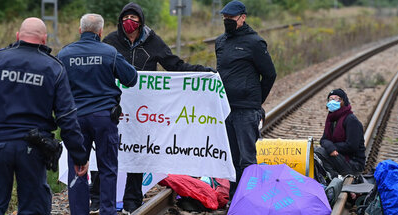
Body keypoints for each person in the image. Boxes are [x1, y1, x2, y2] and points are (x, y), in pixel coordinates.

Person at [94, 2, 215, 214]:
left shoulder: (153, 42)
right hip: (114, 107)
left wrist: (202, 72)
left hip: (143, 111)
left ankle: (132, 199)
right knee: (105, 151)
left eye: (133, 20)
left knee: (137, 152)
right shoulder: (111, 41)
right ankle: (97, 197)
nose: (128, 24)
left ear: (141, 23)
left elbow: (175, 65)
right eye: (125, 20)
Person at [0, 17, 88, 215]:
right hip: (34, 148)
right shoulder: (54, 68)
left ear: (18, 36)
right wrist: (79, 155)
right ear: (44, 39)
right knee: (34, 208)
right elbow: (67, 117)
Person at [57, 13, 138, 215]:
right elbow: (131, 78)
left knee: (78, 167)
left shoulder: (65, 54)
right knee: (108, 168)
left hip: (74, 119)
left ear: (80, 30)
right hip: (104, 118)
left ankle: (78, 211)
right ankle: (107, 211)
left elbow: (55, 86)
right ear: (101, 32)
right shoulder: (109, 52)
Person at [215, 0, 277, 202]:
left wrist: (256, 100)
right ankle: (235, 198)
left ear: (242, 17)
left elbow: (269, 74)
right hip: (226, 109)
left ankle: (250, 199)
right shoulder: (221, 42)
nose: (227, 21)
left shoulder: (255, 42)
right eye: (225, 18)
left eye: (231, 18)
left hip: (246, 110)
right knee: (231, 159)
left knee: (247, 159)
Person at [315, 88, 366, 179]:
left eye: (336, 99)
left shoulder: (351, 120)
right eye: (330, 99)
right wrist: (330, 148)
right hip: (340, 158)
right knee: (315, 151)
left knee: (320, 152)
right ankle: (335, 176)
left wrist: (333, 147)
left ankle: (336, 177)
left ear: (343, 101)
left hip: (353, 163)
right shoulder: (331, 118)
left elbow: (352, 146)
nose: (332, 101)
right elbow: (324, 139)